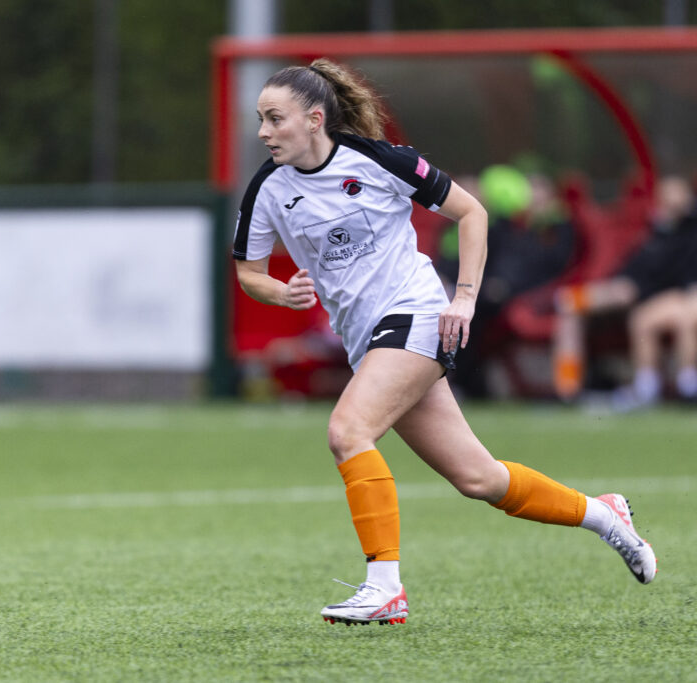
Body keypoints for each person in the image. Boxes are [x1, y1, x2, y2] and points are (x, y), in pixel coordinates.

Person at [232, 58, 657, 626]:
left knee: (347, 430)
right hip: (369, 341)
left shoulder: (379, 160)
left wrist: (463, 298)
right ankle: (605, 515)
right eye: (260, 119)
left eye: (274, 119)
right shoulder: (267, 187)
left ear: (314, 119)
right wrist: (277, 292)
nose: (263, 131)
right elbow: (248, 272)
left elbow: (471, 213)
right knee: (480, 479)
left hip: (417, 315)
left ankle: (385, 588)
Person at [552, 176, 697, 404]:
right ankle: (567, 387)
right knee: (569, 305)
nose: (670, 203)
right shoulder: (653, 231)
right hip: (626, 290)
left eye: (676, 196)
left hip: (652, 296)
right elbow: (631, 270)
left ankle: (677, 387)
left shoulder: (688, 232)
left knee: (650, 317)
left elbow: (674, 276)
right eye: (666, 198)